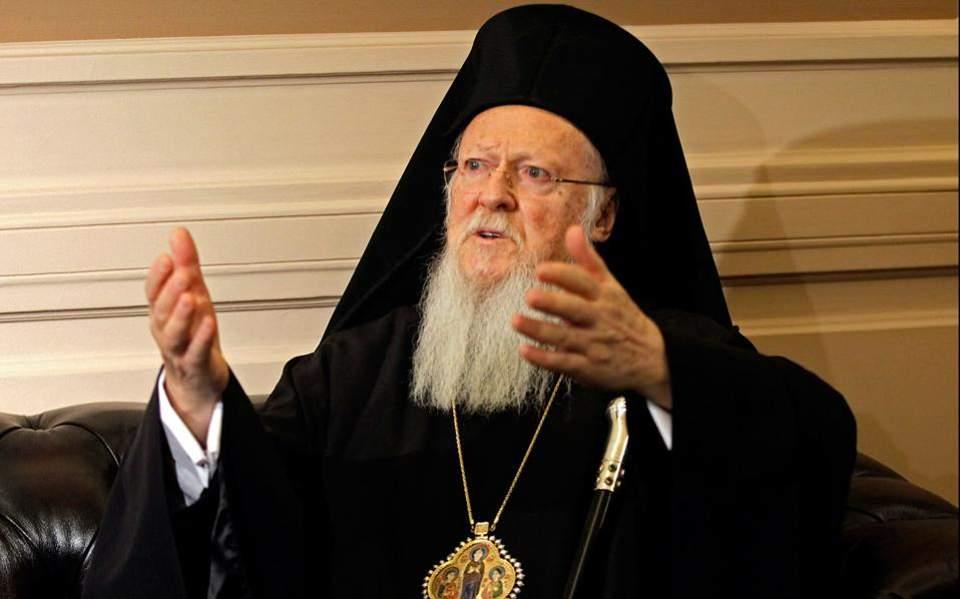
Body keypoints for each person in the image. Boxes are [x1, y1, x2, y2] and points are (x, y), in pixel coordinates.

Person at [82, 5, 856, 598]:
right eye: (475, 165)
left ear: (605, 214)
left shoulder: (664, 359)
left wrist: (661, 371)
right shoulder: (354, 373)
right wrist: (195, 398)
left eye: (536, 174)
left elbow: (809, 450)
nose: (493, 194)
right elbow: (254, 535)